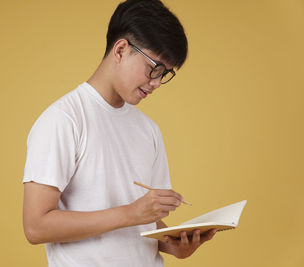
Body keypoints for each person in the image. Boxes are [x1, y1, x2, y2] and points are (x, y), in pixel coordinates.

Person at [22, 0, 216, 266]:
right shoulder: (64, 119)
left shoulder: (149, 130)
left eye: (165, 74)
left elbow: (144, 220)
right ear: (121, 49)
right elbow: (36, 226)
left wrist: (174, 246)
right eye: (154, 68)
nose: (157, 82)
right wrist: (130, 214)